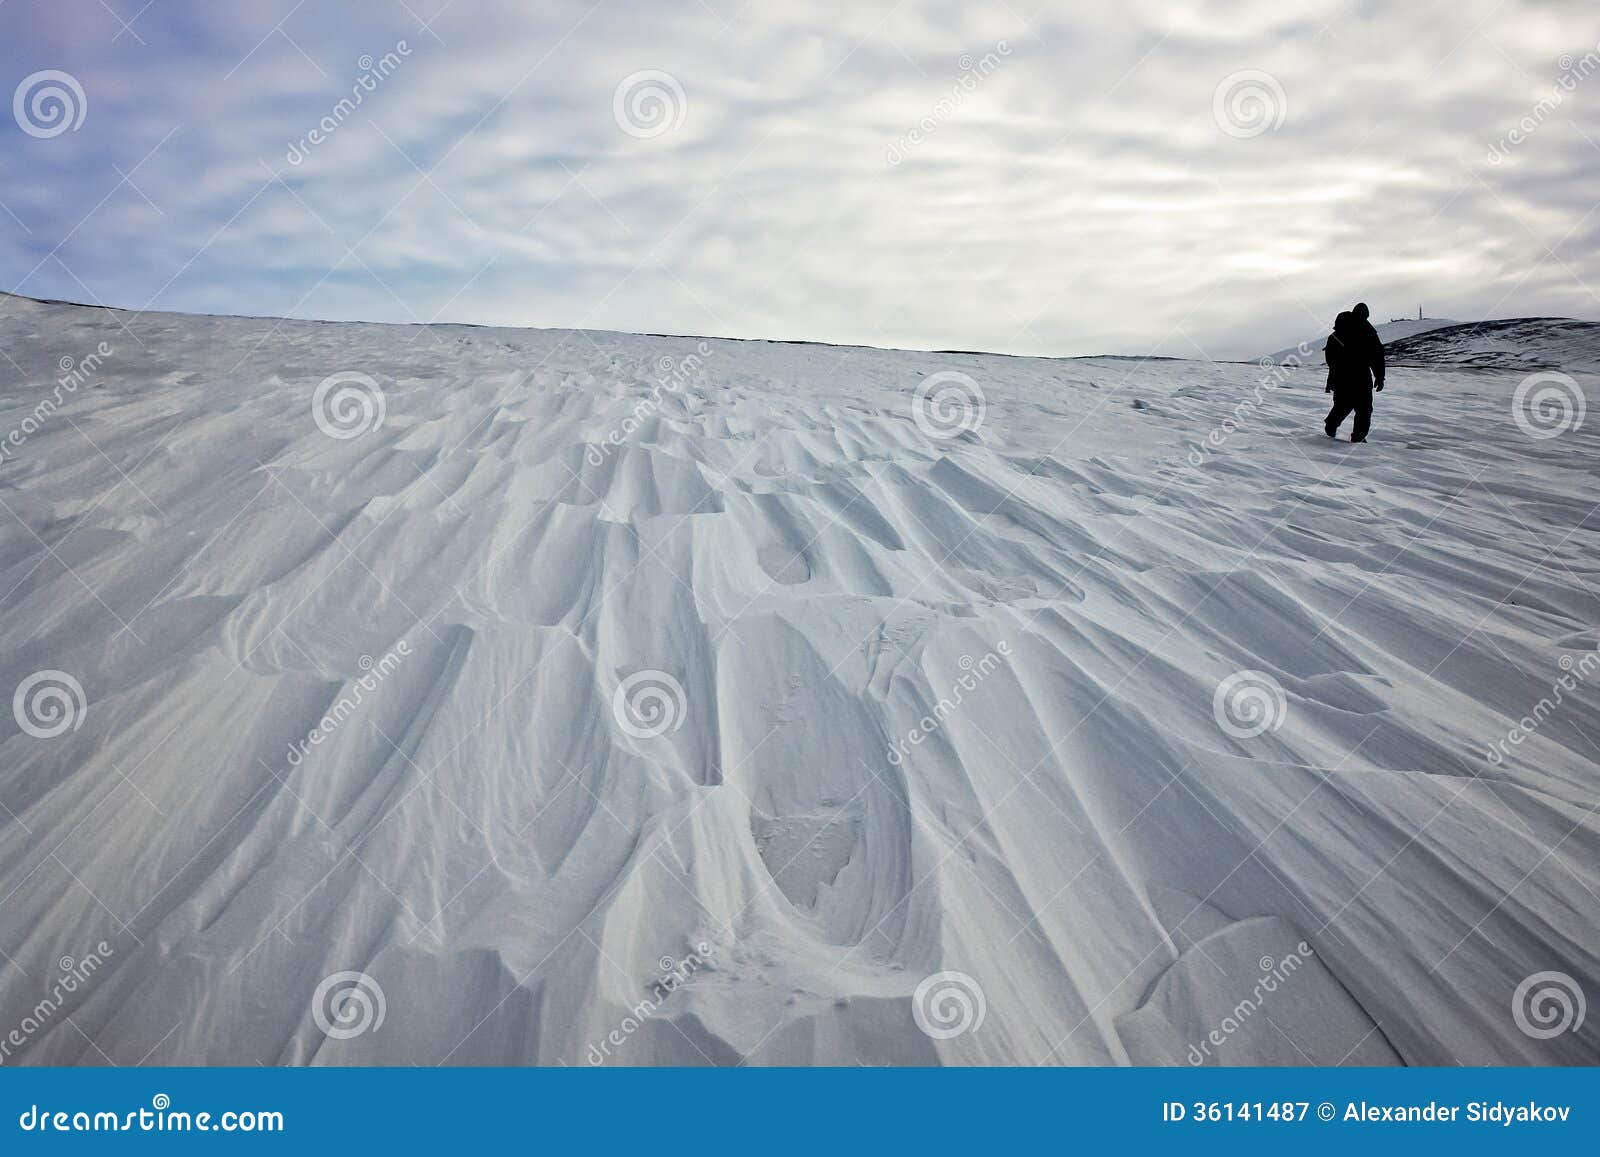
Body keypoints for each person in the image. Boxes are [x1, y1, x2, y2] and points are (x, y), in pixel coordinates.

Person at [1323, 301, 1385, 442]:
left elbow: (1377, 356)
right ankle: (1338, 428)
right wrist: (1379, 377)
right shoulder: (1356, 332)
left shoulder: (1366, 333)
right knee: (1352, 407)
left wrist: (1380, 377)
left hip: (1351, 377)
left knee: (1358, 407)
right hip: (1351, 376)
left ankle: (1356, 435)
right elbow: (1377, 356)